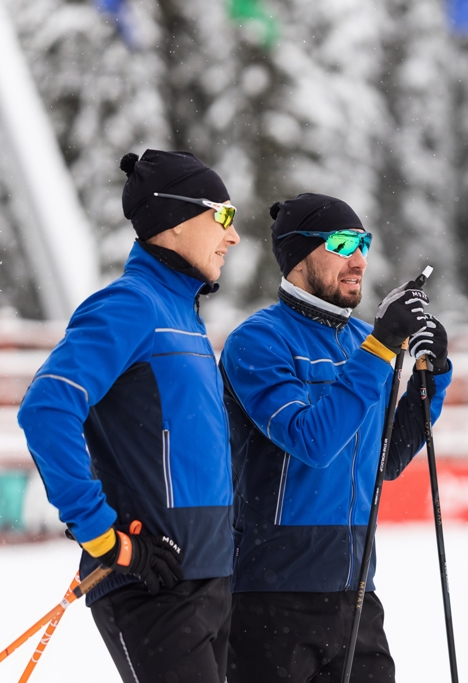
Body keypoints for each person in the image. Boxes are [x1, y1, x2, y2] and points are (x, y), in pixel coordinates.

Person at [18, 150, 241, 682]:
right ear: (176, 218)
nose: (233, 236)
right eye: (224, 216)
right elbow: (46, 409)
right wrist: (103, 538)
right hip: (150, 582)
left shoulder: (181, 316)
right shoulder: (128, 306)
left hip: (212, 579)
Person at [220, 193, 452, 682]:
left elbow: (383, 458)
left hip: (356, 595)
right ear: (300, 255)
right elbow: (313, 440)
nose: (359, 260)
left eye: (364, 243)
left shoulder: (364, 342)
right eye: (344, 243)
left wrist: (431, 382)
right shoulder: (258, 341)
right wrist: (382, 348)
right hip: (271, 599)